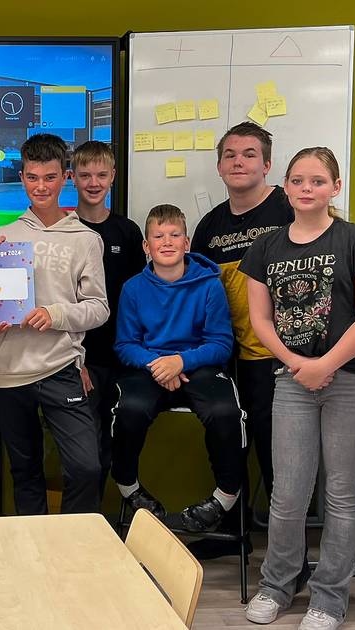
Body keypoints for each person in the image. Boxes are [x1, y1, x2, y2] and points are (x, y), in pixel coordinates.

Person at [240, 147, 355, 630]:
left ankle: (329, 597)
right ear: (285, 187)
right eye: (298, 180)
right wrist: (297, 364)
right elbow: (261, 320)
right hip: (291, 380)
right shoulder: (265, 247)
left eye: (318, 181)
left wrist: (325, 364)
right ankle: (277, 585)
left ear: (335, 188)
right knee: (288, 492)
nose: (307, 189)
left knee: (342, 494)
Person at [0, 133, 109, 515]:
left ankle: (70, 542)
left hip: (59, 367)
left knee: (86, 468)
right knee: (25, 472)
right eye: (33, 177)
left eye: (50, 177)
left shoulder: (86, 239)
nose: (41, 186)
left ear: (65, 177)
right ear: (22, 177)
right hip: (7, 372)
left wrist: (55, 314)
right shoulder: (4, 235)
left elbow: (99, 308)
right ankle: (34, 547)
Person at [112, 203, 246, 533]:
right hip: (151, 366)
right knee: (129, 410)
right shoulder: (133, 288)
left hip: (199, 364)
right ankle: (129, 487)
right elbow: (125, 345)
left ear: (187, 243)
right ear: (147, 246)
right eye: (159, 236)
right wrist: (160, 366)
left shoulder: (209, 285)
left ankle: (225, 497)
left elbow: (221, 343)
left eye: (174, 235)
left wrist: (180, 362)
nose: (167, 242)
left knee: (225, 413)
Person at [191, 122, 293, 507]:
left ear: (266, 165)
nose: (238, 162)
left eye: (249, 155)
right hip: (227, 354)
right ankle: (236, 529)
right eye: (230, 155)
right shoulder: (209, 226)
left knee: (274, 449)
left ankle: (286, 540)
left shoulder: (290, 208)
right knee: (228, 443)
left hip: (278, 356)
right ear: (219, 166)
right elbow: (197, 292)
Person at [69, 140, 146, 494]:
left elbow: (139, 298)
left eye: (101, 175)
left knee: (114, 444)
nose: (93, 183)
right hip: (80, 359)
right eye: (85, 175)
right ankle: (84, 518)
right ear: (72, 177)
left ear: (113, 176)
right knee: (85, 453)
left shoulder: (127, 232)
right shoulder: (66, 231)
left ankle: (106, 515)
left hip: (122, 356)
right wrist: (76, 359)